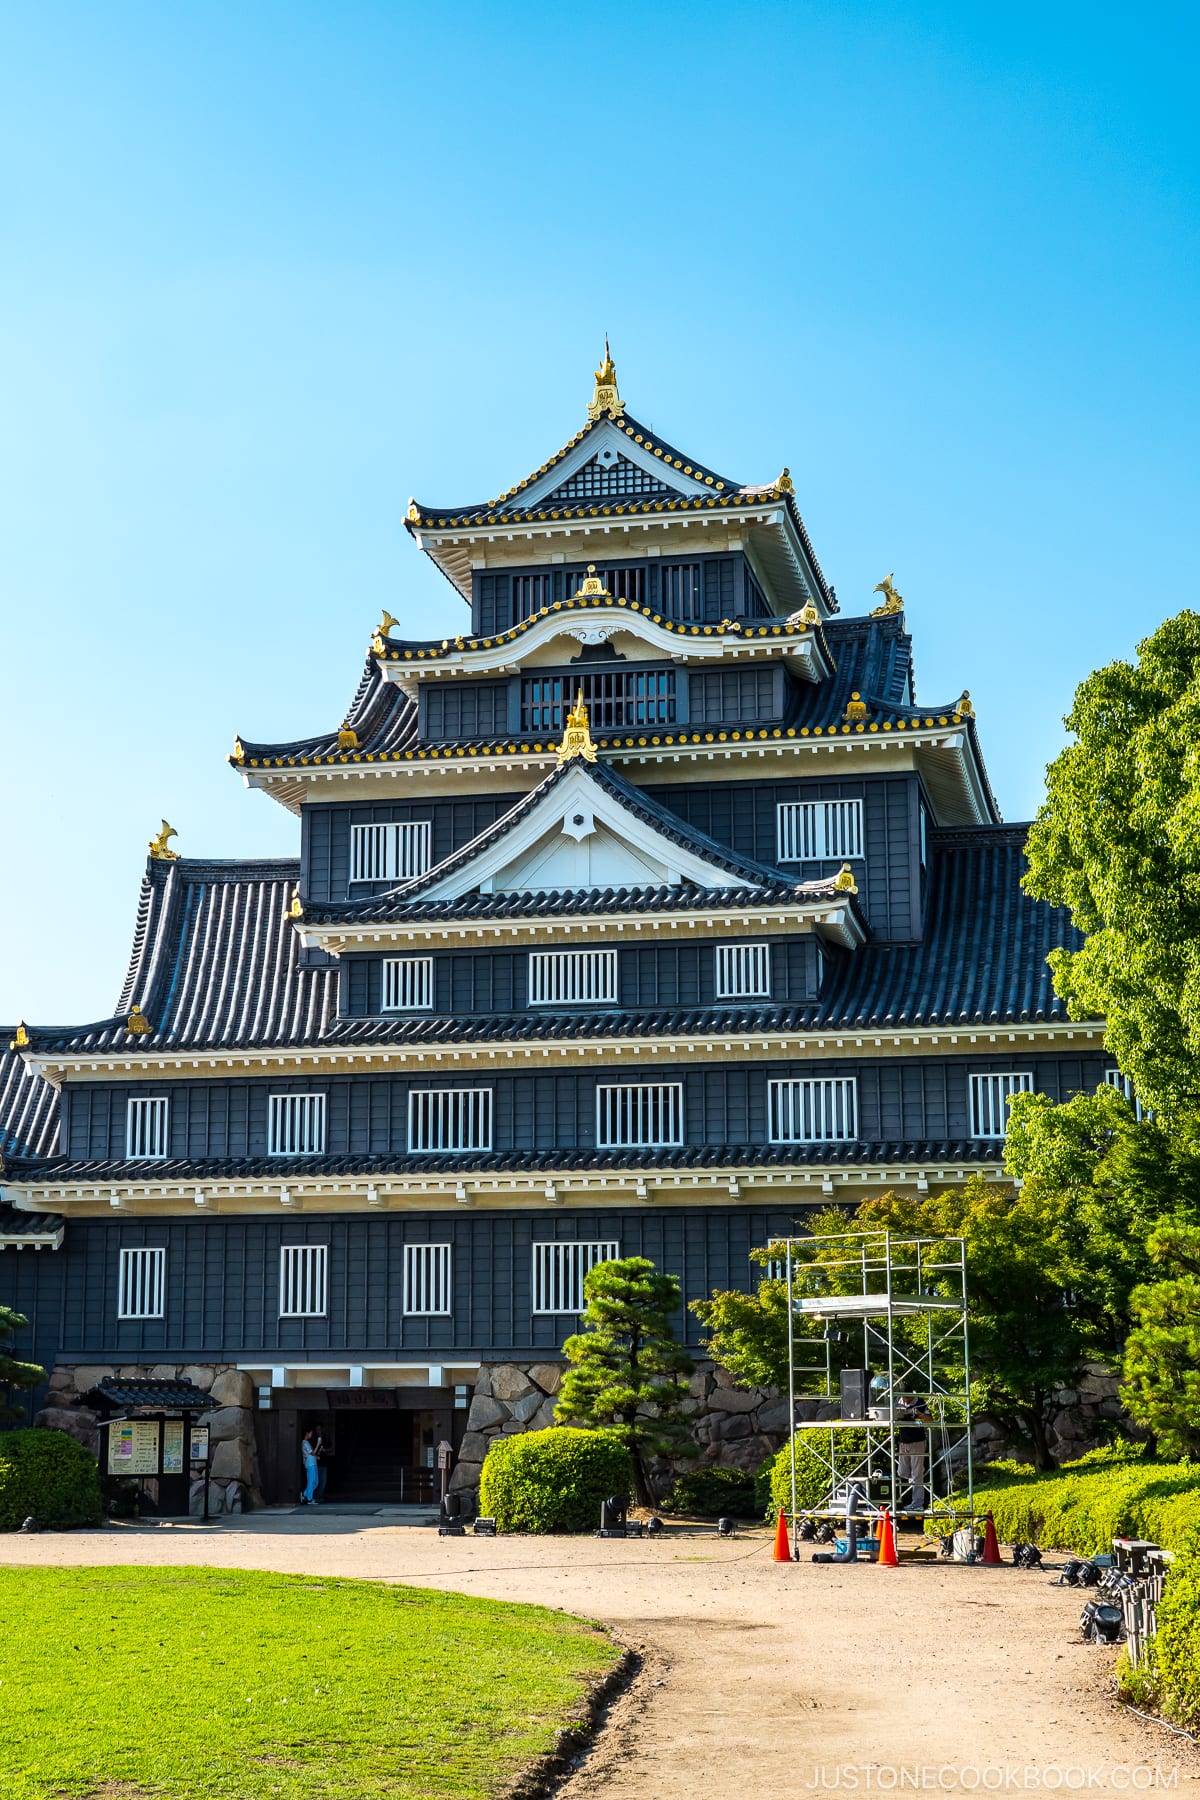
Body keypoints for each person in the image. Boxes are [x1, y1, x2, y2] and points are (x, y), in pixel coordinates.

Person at [896, 1395, 933, 1515]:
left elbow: (929, 1420)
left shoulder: (920, 1402)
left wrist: (918, 1414)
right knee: (902, 1472)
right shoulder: (897, 1401)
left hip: (917, 1442)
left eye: (908, 1397)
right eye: (904, 1397)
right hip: (903, 1441)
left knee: (917, 1474)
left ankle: (917, 1503)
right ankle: (908, 1496)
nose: (906, 1400)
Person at [300, 1428, 319, 1506]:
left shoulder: (307, 1442)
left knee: (315, 1482)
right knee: (311, 1482)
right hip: (310, 1464)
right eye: (311, 1433)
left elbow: (312, 1454)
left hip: (313, 1464)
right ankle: (309, 1499)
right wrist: (318, 1444)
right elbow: (312, 1453)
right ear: (307, 1433)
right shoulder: (304, 1443)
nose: (311, 1435)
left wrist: (316, 1456)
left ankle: (304, 1495)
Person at [314, 1428, 332, 1503]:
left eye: (319, 1429)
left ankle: (320, 1497)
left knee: (323, 1482)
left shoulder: (326, 1438)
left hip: (324, 1463)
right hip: (315, 1464)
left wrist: (325, 1450)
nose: (318, 1431)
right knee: (315, 1482)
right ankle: (314, 1497)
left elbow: (331, 1448)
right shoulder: (313, 1438)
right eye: (317, 1429)